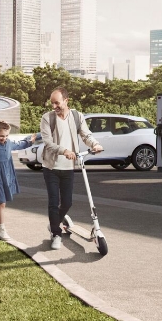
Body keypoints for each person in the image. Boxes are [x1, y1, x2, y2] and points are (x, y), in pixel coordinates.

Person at [38, 87, 103, 250]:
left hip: (68, 168)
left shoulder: (76, 116)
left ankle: (54, 223)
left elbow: (85, 134)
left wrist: (94, 144)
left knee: (67, 202)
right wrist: (64, 151)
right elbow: (48, 142)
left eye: (57, 103)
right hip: (51, 167)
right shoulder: (47, 118)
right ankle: (56, 233)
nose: (54, 106)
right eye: (52, 103)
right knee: (54, 202)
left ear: (66, 100)